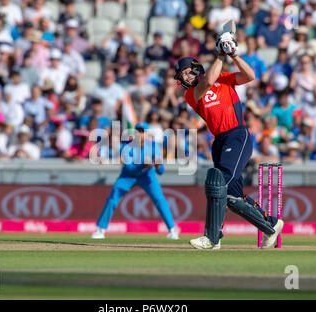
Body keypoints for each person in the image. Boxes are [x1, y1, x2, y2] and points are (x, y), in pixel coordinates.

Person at [174, 31, 283, 250]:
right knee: (232, 197)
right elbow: (207, 84)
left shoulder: (224, 80)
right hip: (220, 141)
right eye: (182, 76)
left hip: (237, 134)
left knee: (218, 182)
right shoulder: (192, 94)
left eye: (186, 73)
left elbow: (250, 75)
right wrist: (220, 54)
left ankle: (212, 238)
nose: (184, 78)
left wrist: (233, 53)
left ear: (196, 68)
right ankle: (272, 225)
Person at [91, 122, 179, 240]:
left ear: (147, 134)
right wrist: (144, 165)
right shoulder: (127, 147)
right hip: (128, 176)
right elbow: (130, 169)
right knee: (113, 198)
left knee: (159, 199)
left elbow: (161, 171)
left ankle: (172, 230)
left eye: (142, 131)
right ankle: (100, 230)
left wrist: (158, 166)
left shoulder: (154, 146)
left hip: (147, 176)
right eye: (138, 131)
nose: (140, 134)